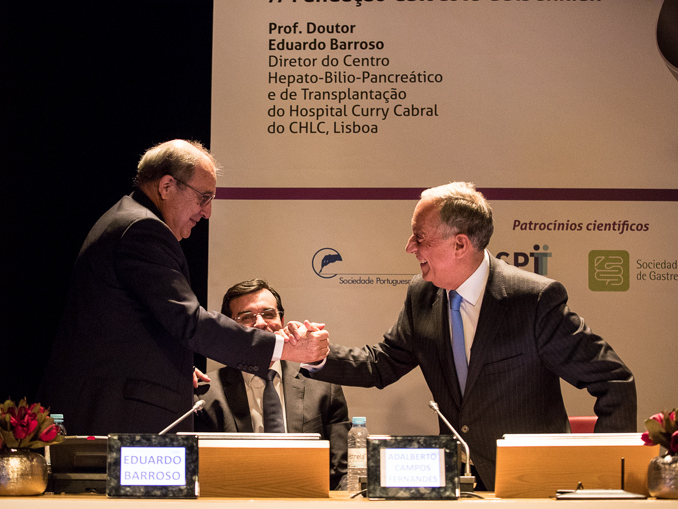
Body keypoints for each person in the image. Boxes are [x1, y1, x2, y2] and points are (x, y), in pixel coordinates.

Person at [304, 182, 636, 490]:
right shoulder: (421, 295)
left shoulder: (532, 301)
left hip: (530, 487)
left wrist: (604, 473)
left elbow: (613, 379)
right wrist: (314, 354)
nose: (409, 247)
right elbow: (380, 364)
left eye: (419, 237)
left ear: (460, 244)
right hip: (458, 487)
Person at [38, 140, 327, 436]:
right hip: (116, 416)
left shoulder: (127, 219)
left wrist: (169, 369)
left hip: (108, 408)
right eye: (204, 197)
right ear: (166, 186)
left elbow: (126, 325)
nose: (207, 212)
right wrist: (282, 347)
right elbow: (189, 321)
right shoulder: (142, 229)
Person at [194, 279, 350, 490]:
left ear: (281, 320)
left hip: (309, 502)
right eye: (246, 317)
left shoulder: (323, 386)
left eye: (268, 314)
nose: (260, 323)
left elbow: (343, 472)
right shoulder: (205, 393)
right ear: (229, 328)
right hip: (235, 502)